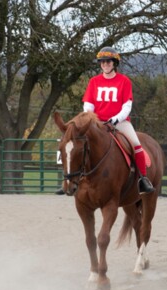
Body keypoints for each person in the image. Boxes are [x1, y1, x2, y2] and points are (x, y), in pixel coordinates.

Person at [56, 46, 154, 195]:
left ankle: (143, 179)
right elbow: (88, 105)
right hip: (96, 123)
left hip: (119, 122)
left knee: (136, 145)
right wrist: (89, 119)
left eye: (108, 62)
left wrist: (115, 119)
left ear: (114, 63)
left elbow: (127, 106)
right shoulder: (94, 81)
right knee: (74, 145)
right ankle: (68, 181)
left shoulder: (124, 81)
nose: (105, 64)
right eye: (102, 62)